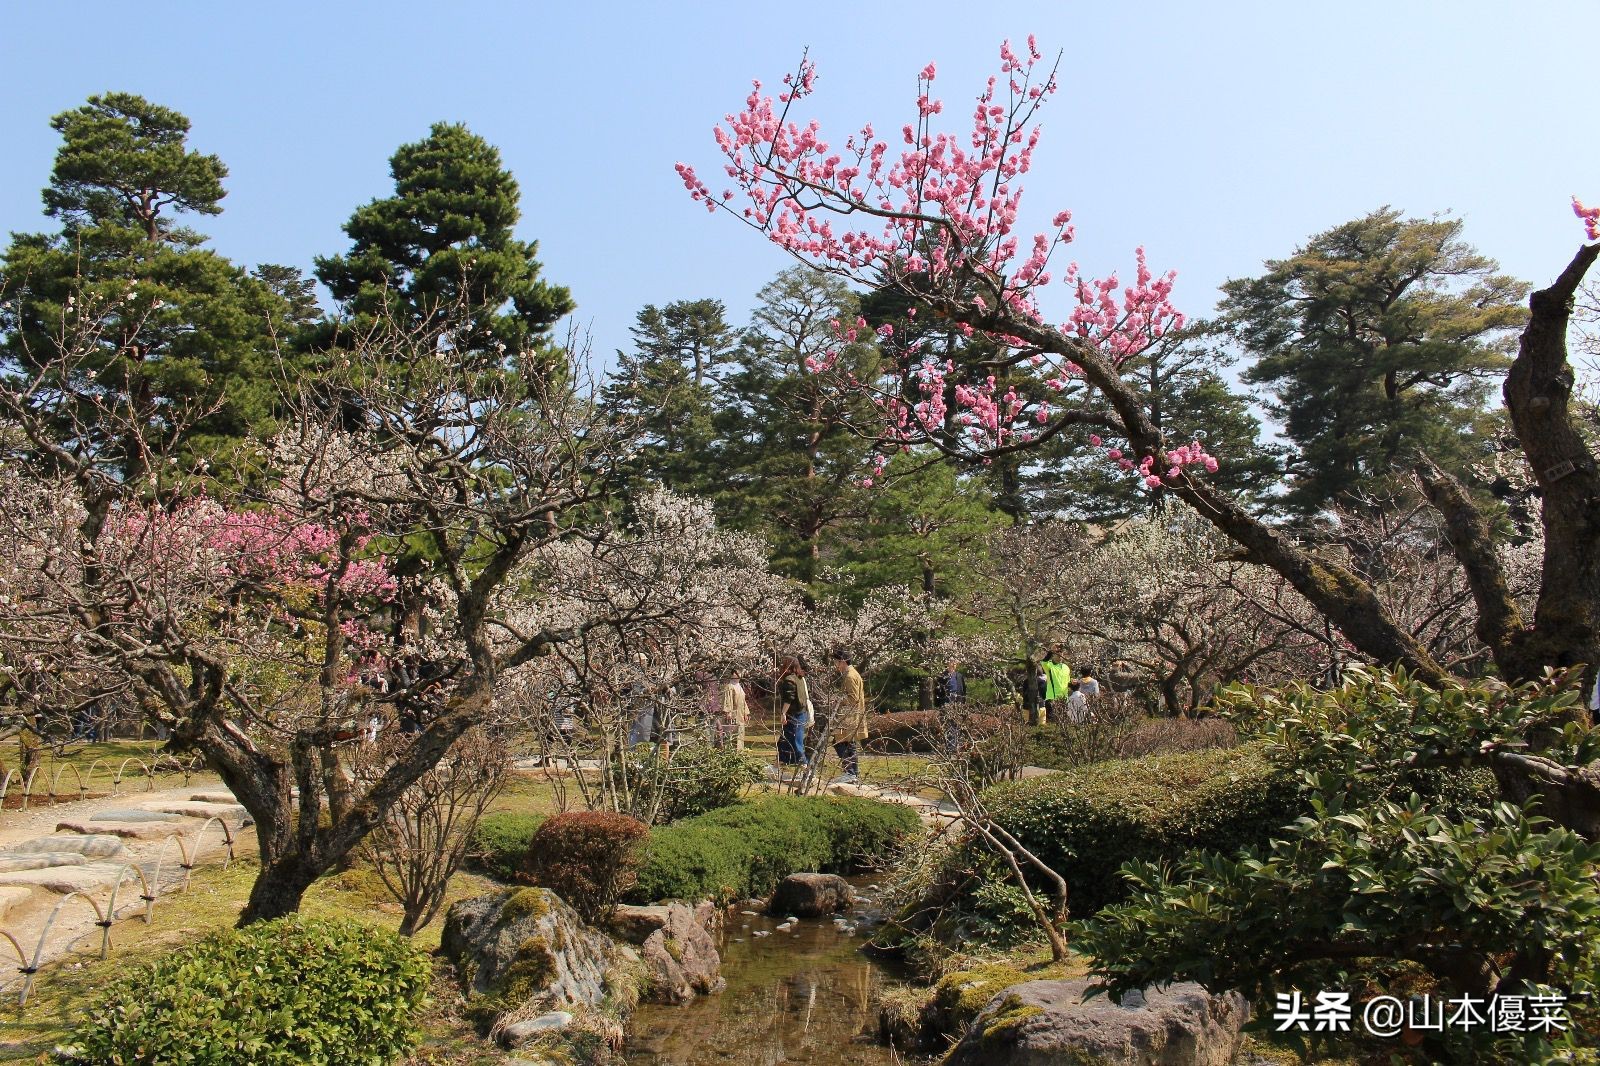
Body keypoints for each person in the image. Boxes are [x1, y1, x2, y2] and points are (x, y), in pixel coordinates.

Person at [831, 649, 869, 783]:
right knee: (849, 744)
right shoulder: (852, 673)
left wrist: (838, 700)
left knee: (839, 743)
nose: (836, 665)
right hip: (851, 715)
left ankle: (850, 772)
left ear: (842, 662)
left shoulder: (849, 676)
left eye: (836, 661)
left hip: (849, 716)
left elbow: (853, 699)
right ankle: (853, 773)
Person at [776, 657, 808, 766]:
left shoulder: (790, 680)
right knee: (785, 740)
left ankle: (803, 763)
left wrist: (783, 713)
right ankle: (782, 761)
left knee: (795, 740)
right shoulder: (800, 678)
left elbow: (789, 699)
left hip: (794, 714)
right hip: (801, 712)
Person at [1041, 645, 1072, 725]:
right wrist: (1051, 651)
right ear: (1053, 655)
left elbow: (1068, 682)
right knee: (1052, 723)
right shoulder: (1049, 665)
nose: (1059, 655)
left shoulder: (1066, 667)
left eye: (1061, 653)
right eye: (1057, 653)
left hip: (1064, 699)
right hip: (1052, 698)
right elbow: (1043, 662)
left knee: (1063, 724)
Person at [719, 668, 750, 750]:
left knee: (740, 733)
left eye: (739, 674)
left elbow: (743, 701)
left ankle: (740, 752)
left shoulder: (740, 686)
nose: (738, 675)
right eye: (736, 673)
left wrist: (746, 713)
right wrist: (728, 712)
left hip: (740, 714)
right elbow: (727, 700)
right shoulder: (729, 686)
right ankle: (730, 753)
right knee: (732, 734)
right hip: (733, 714)